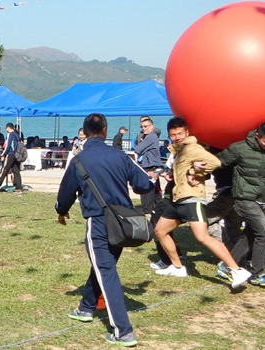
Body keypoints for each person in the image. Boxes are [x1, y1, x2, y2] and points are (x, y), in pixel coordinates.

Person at [56, 113, 153, 347]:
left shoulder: (79, 160)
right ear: (105, 131)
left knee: (105, 271)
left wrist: (61, 210)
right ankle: (86, 308)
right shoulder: (121, 155)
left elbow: (65, 193)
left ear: (84, 132)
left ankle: (123, 331)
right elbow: (144, 184)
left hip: (98, 222)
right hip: (122, 223)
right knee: (102, 266)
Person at [152, 117, 252, 288]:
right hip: (177, 200)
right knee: (160, 231)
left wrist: (193, 171)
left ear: (186, 133)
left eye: (179, 133)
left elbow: (215, 162)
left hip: (192, 199)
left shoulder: (193, 148)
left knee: (202, 237)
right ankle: (177, 267)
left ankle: (237, 270)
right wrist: (174, 175)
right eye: (173, 134)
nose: (177, 137)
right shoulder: (178, 151)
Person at [215, 122, 265, 286]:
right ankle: (258, 273)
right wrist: (197, 168)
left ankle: (225, 266)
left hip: (263, 201)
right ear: (257, 136)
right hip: (244, 200)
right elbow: (218, 162)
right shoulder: (239, 148)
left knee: (250, 236)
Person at [133, 117, 163, 214]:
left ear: (151, 126)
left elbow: (138, 149)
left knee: (147, 190)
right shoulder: (150, 136)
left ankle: (147, 211)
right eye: (141, 127)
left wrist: (141, 141)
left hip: (151, 167)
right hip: (154, 166)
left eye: (145, 126)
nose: (143, 129)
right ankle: (158, 210)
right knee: (156, 192)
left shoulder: (151, 136)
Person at [0, 123, 22, 194]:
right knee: (16, 170)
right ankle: (18, 187)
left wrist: (3, 154)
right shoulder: (16, 135)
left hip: (10, 154)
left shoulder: (10, 134)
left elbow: (8, 145)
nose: (5, 129)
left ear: (8, 128)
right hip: (16, 154)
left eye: (5, 128)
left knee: (4, 169)